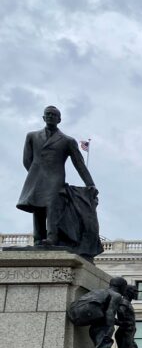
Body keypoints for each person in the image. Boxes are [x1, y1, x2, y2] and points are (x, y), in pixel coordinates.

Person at [16, 105, 98, 251]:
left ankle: (52, 237)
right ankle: (38, 238)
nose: (50, 117)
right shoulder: (32, 136)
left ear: (59, 119)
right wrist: (36, 173)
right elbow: (26, 160)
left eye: (54, 115)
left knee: (52, 205)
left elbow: (79, 163)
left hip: (56, 178)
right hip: (37, 178)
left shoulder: (67, 141)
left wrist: (90, 184)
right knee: (38, 208)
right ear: (43, 117)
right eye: (48, 114)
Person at [111, 284, 139, 348]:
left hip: (129, 334)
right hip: (124, 333)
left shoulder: (128, 303)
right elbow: (120, 312)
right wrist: (123, 323)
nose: (136, 293)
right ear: (128, 292)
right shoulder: (124, 302)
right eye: (135, 291)